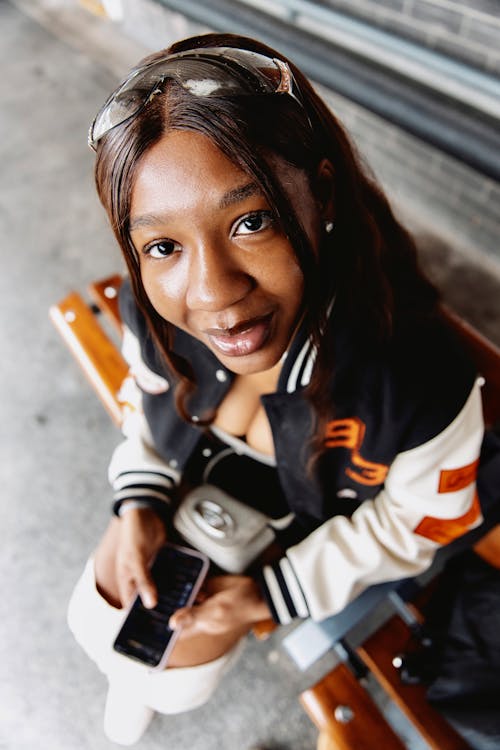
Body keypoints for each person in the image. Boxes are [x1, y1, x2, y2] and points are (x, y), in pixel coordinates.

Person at [67, 31, 485, 745]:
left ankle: (150, 687)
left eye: (250, 221)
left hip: (321, 527)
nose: (213, 294)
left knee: (180, 657)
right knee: (106, 601)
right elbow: (147, 403)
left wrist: (271, 593)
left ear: (320, 191)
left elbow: (423, 522)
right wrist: (137, 499)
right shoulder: (158, 316)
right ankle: (127, 679)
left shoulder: (415, 382)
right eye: (163, 246)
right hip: (202, 485)